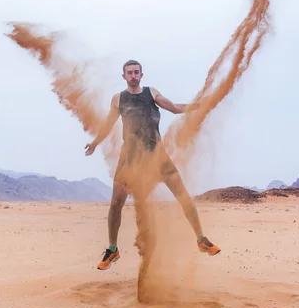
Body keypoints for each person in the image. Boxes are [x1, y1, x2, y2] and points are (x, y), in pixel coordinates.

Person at [85, 59, 221, 270]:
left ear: (141, 74)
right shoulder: (118, 99)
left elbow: (175, 108)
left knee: (183, 196)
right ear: (124, 76)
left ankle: (201, 239)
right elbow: (108, 124)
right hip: (129, 159)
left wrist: (202, 105)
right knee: (115, 204)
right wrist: (94, 143)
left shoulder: (151, 93)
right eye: (129, 72)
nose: (133, 75)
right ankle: (113, 249)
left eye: (136, 72)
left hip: (157, 156)